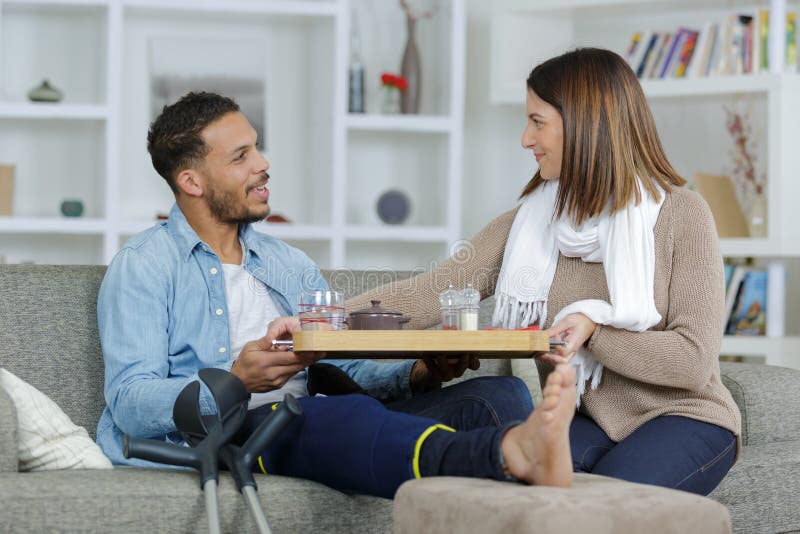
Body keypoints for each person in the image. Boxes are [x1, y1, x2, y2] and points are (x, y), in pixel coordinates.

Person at [95, 91, 577, 498]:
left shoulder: (288, 264)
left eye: (257, 148)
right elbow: (130, 402)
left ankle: (529, 498)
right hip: (230, 432)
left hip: (316, 416)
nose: (263, 165)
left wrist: (420, 372)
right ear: (191, 181)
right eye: (240, 156)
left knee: (499, 395)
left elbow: (344, 368)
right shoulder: (145, 266)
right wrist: (236, 381)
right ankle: (506, 454)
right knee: (330, 414)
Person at [346, 48, 741, 496]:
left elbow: (692, 360)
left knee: (602, 505)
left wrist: (594, 330)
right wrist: (318, 320)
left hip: (686, 416)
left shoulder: (681, 215)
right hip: (589, 420)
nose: (524, 139)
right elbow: (432, 291)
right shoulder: (530, 223)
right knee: (512, 487)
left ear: (584, 123)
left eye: (537, 122)